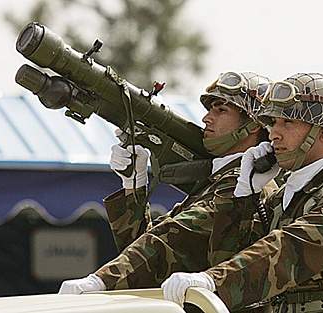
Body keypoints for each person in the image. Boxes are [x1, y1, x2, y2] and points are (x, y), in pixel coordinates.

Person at [161, 73, 323, 313]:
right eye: (273, 123)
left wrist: (212, 280)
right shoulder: (283, 198)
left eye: (287, 123)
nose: (273, 134)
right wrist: (244, 197)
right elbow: (225, 258)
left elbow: (287, 253)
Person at [58, 71, 277, 294]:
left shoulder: (246, 183)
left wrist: (100, 281)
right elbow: (147, 258)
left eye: (221, 110)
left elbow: (169, 238)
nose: (206, 118)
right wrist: (134, 186)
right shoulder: (219, 179)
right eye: (210, 109)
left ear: (254, 125)